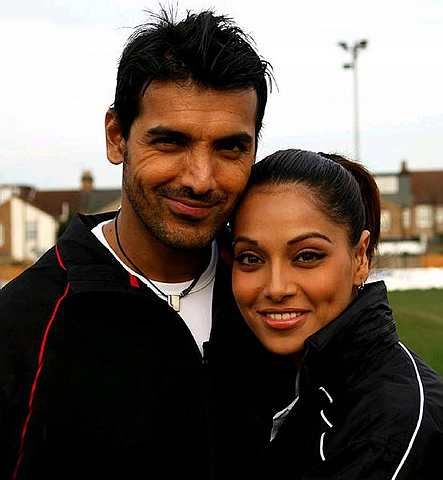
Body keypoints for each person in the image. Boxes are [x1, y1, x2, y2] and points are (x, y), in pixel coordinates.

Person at [0, 10, 291, 480]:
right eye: (171, 142)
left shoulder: (285, 302)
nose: (201, 179)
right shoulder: (22, 326)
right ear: (117, 137)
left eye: (229, 148)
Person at [231, 149, 443, 479]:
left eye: (307, 256)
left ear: (360, 258)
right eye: (250, 258)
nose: (276, 287)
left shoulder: (392, 426)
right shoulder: (275, 380)